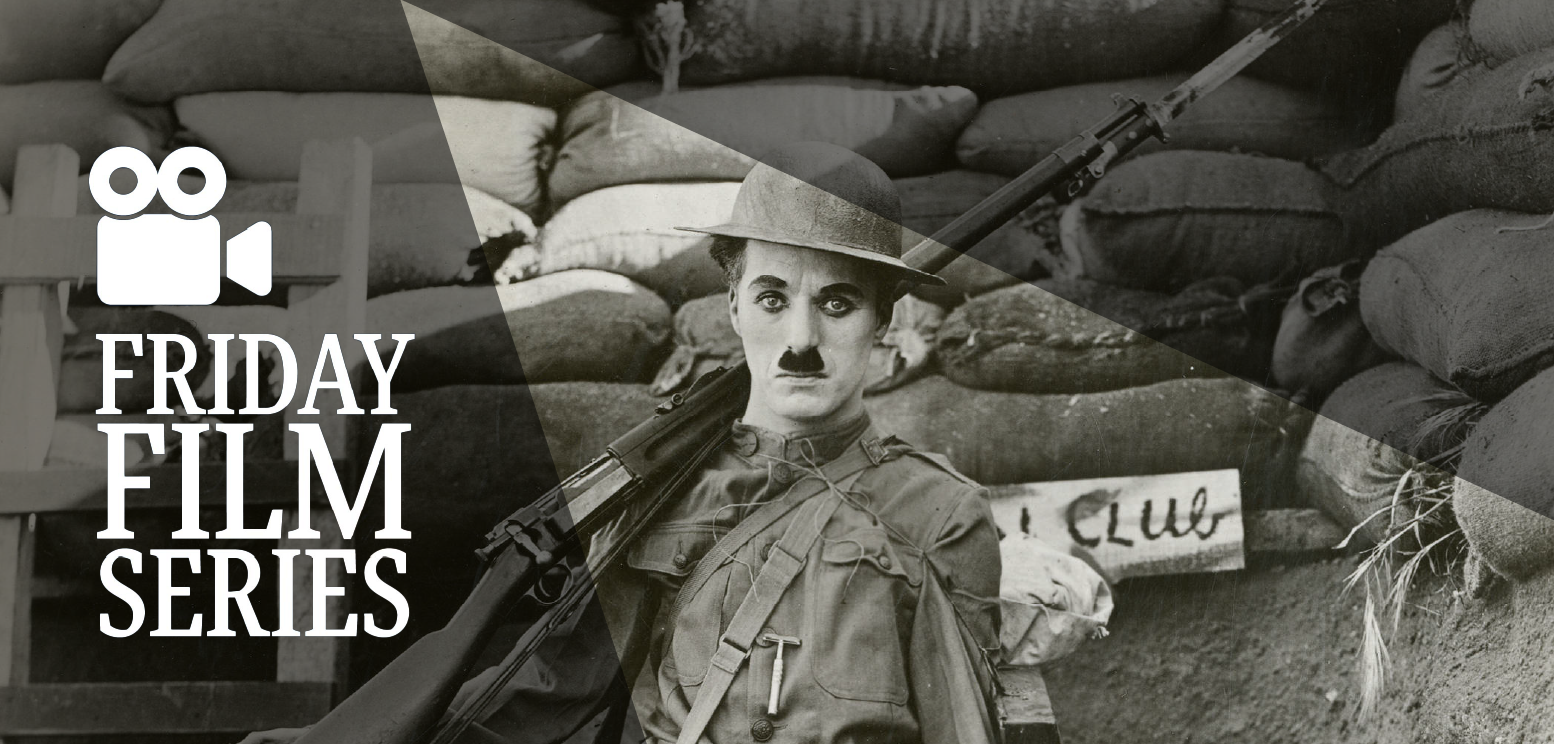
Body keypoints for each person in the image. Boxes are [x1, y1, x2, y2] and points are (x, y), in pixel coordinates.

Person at [242, 141, 1003, 744]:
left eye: (837, 304)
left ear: (885, 323)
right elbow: (551, 694)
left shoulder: (938, 513)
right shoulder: (657, 491)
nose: (800, 339)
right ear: (733, 304)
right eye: (774, 297)